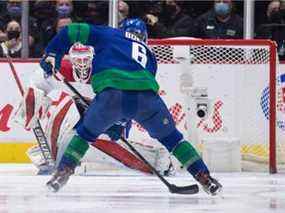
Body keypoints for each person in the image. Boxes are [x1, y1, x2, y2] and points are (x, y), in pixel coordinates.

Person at [39, 19, 222, 195]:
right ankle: (206, 178)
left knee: (84, 134)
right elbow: (134, 93)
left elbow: (71, 30)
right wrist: (120, 123)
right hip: (148, 101)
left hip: (111, 96)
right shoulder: (149, 55)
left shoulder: (109, 34)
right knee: (174, 140)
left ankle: (62, 174)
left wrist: (53, 52)